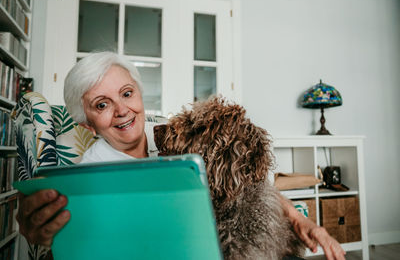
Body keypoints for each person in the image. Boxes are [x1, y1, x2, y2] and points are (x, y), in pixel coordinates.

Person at [16, 52, 345, 260]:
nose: (122, 111)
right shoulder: (89, 175)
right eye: (102, 104)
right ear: (88, 123)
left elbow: (247, 184)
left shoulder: (170, 134)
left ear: (140, 95)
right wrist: (46, 237)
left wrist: (300, 220)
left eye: (127, 94)